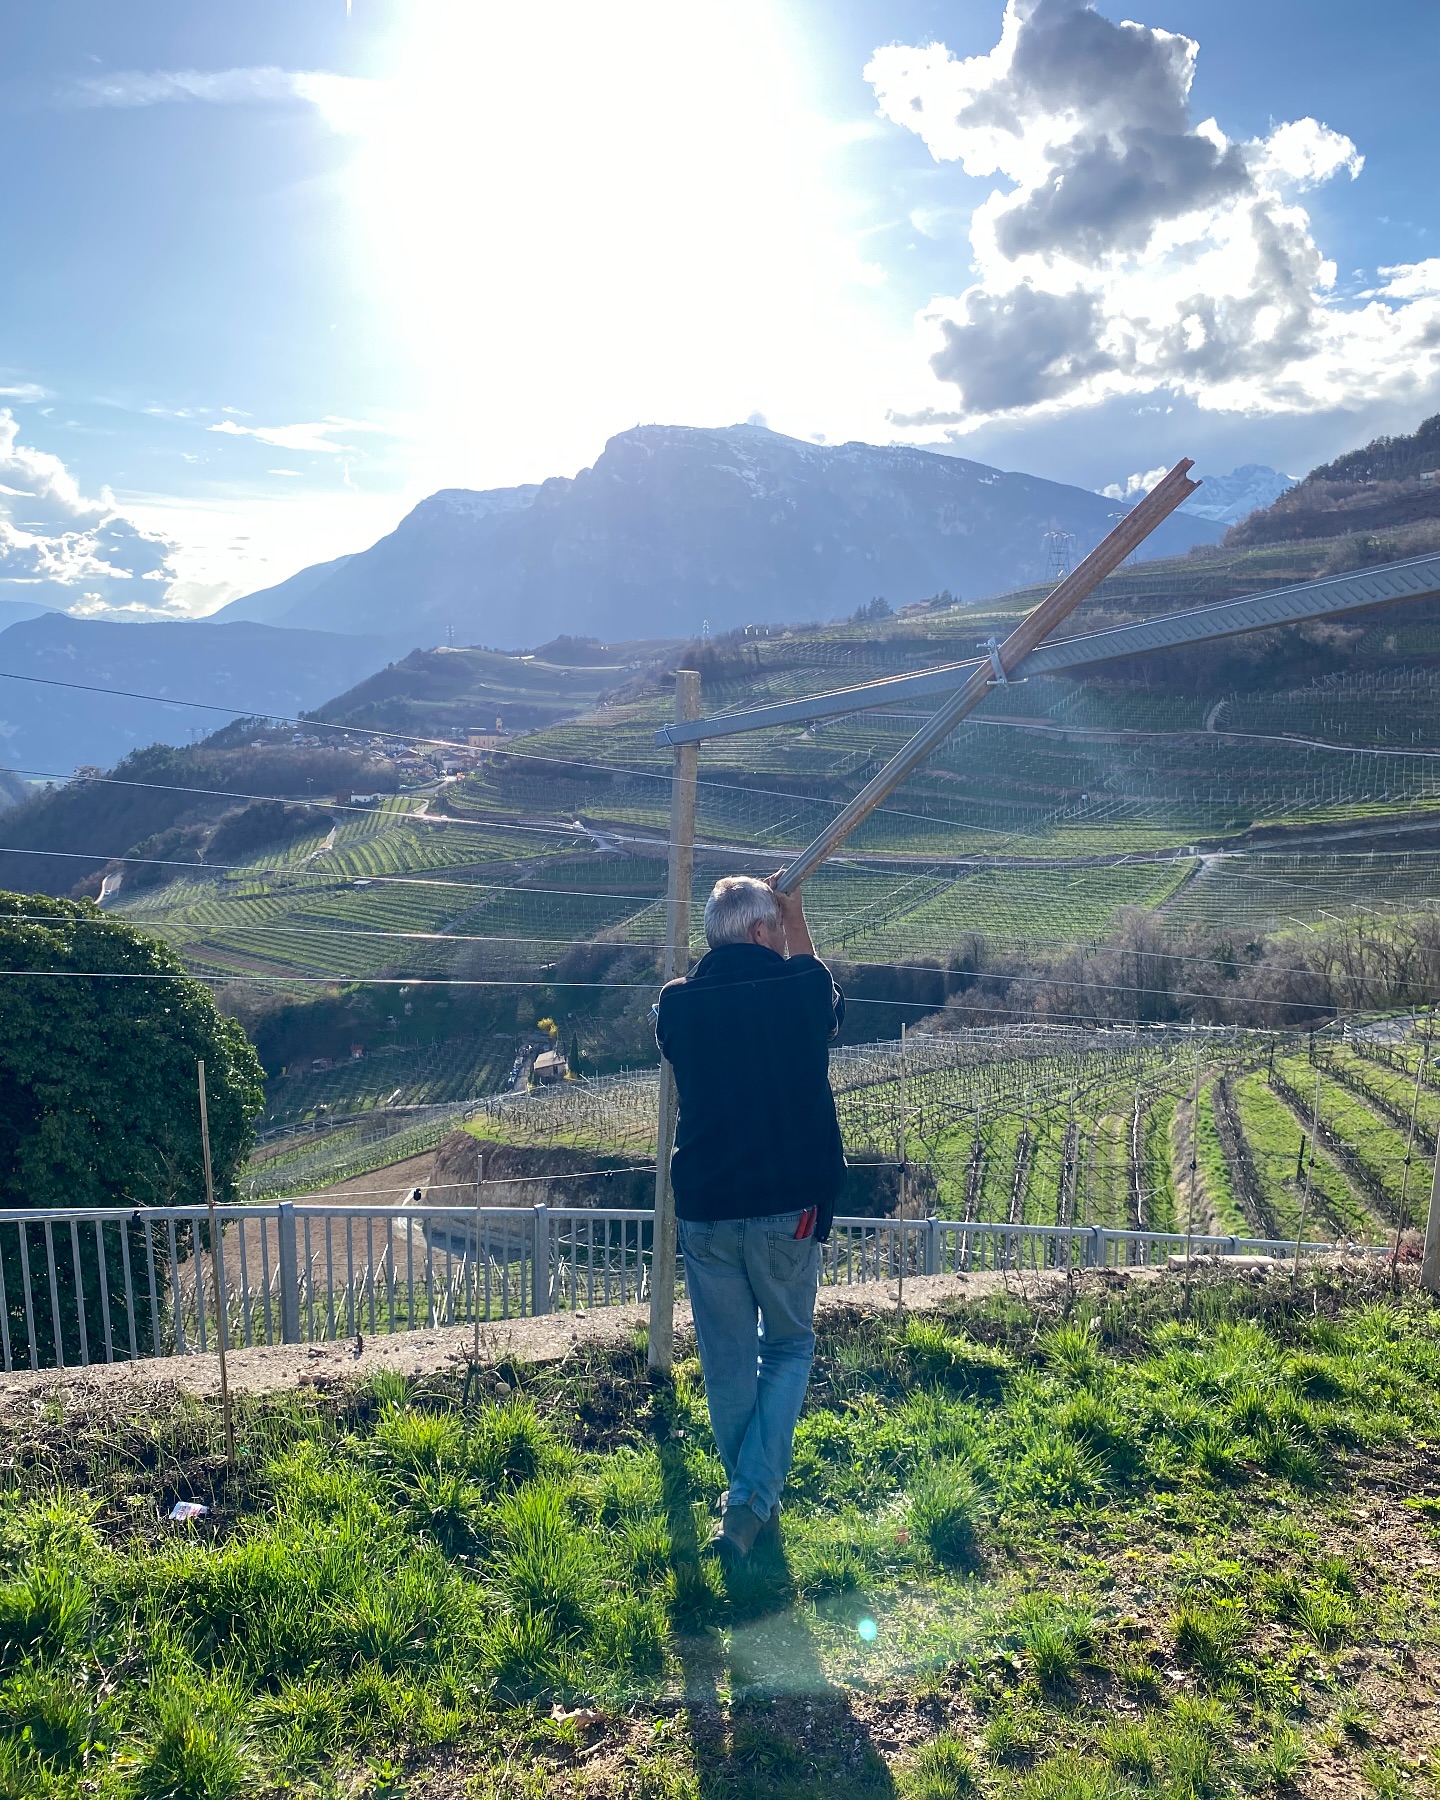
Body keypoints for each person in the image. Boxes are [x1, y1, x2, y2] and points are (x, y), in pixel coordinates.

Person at [655, 872, 845, 1560]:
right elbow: (820, 995)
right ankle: (750, 1499)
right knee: (790, 1345)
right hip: (785, 1207)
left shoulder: (677, 1005)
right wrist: (798, 916)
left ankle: (747, 1500)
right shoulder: (797, 989)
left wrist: (774, 921)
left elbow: (674, 1037)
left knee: (727, 1364)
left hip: (707, 1208)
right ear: (765, 932)